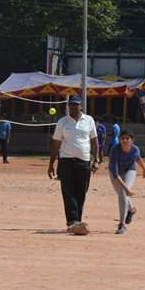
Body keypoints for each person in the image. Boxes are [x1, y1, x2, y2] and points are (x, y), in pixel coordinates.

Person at [47, 95, 99, 235]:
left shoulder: (89, 120)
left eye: (75, 105)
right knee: (68, 191)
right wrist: (51, 163)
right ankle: (72, 222)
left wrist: (96, 159)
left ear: (81, 106)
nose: (73, 107)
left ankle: (77, 220)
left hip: (84, 161)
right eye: (71, 105)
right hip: (66, 161)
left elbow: (94, 141)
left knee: (81, 191)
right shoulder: (62, 122)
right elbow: (56, 143)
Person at [109, 130, 145, 234]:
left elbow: (138, 158)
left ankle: (122, 225)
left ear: (132, 140)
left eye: (127, 138)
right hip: (115, 173)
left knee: (122, 193)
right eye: (123, 138)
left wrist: (144, 169)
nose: (125, 141)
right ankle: (131, 209)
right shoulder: (115, 150)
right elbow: (115, 173)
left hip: (129, 170)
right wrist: (127, 189)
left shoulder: (135, 149)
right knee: (122, 193)